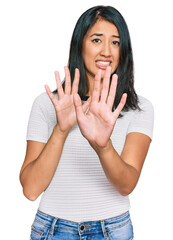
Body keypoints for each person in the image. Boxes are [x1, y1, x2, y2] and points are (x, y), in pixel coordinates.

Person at [19, 5, 154, 240]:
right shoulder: (48, 104)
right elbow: (31, 190)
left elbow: (126, 185)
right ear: (79, 45)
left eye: (115, 42)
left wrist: (103, 146)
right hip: (53, 230)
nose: (106, 51)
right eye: (96, 40)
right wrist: (61, 130)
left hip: (113, 230)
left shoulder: (138, 108)